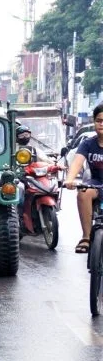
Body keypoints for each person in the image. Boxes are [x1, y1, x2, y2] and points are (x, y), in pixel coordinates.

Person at [63, 103, 103, 253]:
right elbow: (77, 162)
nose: (102, 124)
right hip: (97, 184)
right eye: (99, 120)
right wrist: (69, 180)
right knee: (83, 192)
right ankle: (86, 237)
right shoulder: (87, 144)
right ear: (94, 122)